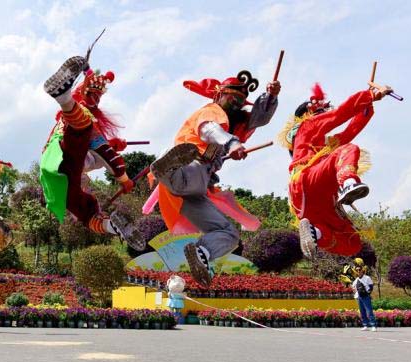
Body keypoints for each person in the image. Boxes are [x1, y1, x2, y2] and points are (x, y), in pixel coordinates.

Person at [150, 71, 280, 286]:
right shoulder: (210, 111)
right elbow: (209, 129)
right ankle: (168, 166)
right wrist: (232, 143)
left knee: (229, 234)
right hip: (190, 167)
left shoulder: (234, 123)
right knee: (189, 165)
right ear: (219, 95)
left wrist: (270, 96)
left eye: (241, 101)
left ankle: (202, 252)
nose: (237, 104)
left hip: (195, 189)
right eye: (233, 99)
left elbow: (258, 119)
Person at [41, 55, 145, 251]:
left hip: (53, 171)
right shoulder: (85, 116)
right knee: (83, 128)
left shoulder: (68, 123)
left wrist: (112, 145)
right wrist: (124, 179)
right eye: (93, 95)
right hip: (65, 156)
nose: (96, 100)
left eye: (99, 96)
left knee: (87, 212)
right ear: (84, 92)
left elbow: (96, 153)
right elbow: (106, 154)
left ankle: (112, 226)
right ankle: (63, 98)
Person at [281, 82, 393, 259]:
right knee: (348, 149)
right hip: (307, 179)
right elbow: (339, 115)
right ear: (308, 114)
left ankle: (315, 232)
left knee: (352, 242)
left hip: (312, 203)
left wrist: (367, 106)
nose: (325, 113)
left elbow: (349, 131)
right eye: (322, 111)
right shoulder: (306, 126)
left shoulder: (325, 146)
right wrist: (369, 96)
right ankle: (348, 183)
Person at [351, 258, 376, 331]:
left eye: (360, 270)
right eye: (357, 270)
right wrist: (355, 291)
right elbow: (354, 288)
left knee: (369, 311)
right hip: (359, 297)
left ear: (362, 270)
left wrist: (367, 293)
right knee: (362, 312)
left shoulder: (367, 278)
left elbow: (371, 287)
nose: (358, 271)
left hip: (365, 297)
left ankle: (373, 325)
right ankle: (365, 325)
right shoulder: (356, 280)